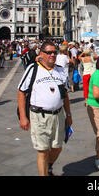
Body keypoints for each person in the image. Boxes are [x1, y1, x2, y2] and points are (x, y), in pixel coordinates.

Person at [18, 41, 72, 176]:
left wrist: (69, 115)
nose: (52, 55)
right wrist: (23, 117)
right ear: (41, 54)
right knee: (42, 151)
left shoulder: (60, 70)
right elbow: (21, 92)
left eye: (55, 52)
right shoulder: (33, 69)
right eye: (49, 52)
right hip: (39, 116)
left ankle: (48, 165)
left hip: (58, 115)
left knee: (57, 147)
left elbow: (64, 95)